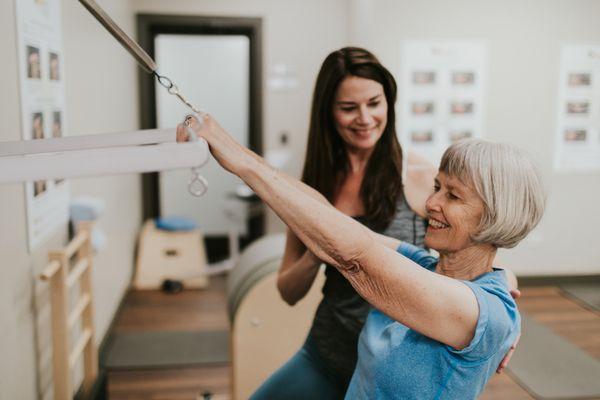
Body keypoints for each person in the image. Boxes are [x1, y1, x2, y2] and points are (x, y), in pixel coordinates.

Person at [178, 114, 544, 398]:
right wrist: (234, 151)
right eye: (437, 187)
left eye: (453, 195)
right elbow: (333, 221)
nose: (431, 203)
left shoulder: (482, 312)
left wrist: (242, 165)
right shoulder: (426, 266)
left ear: (495, 214)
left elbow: (353, 256)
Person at [254, 47, 434, 399]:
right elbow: (287, 291)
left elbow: (483, 262)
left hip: (393, 369)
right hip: (327, 352)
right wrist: (318, 251)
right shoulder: (315, 186)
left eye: (374, 103)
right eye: (349, 108)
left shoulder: (421, 177)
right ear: (329, 113)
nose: (365, 118)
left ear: (389, 103)